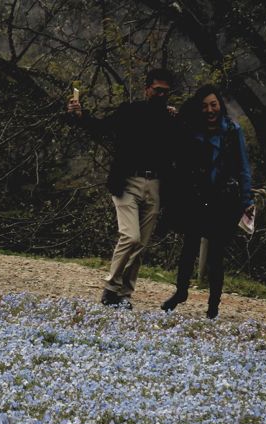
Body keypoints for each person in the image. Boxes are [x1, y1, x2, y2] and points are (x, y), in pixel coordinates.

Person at [67, 68, 185, 309]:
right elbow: (101, 128)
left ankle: (124, 294)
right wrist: (80, 115)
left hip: (155, 185)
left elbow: (181, 148)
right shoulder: (130, 111)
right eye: (157, 90)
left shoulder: (171, 120)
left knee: (140, 244)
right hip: (127, 182)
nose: (161, 95)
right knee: (130, 236)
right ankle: (111, 287)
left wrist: (178, 119)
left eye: (165, 91)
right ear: (147, 89)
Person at [160, 85, 254, 319]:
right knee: (189, 246)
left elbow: (243, 167)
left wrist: (247, 199)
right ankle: (181, 292)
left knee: (216, 256)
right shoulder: (192, 129)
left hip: (223, 200)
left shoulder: (233, 130)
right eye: (205, 106)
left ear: (220, 105)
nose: (210, 110)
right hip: (196, 197)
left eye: (213, 104)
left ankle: (213, 306)